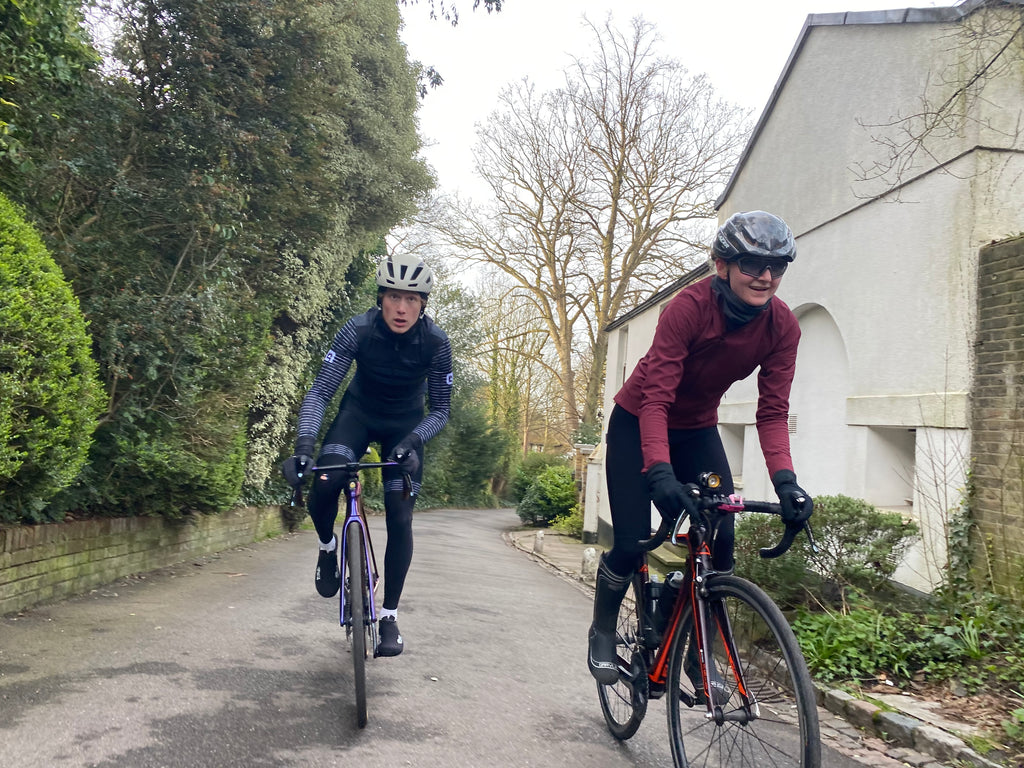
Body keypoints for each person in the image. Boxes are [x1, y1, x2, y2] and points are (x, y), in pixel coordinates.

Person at [587, 210, 814, 685]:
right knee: (630, 542)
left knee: (722, 540)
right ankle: (603, 630)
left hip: (696, 429)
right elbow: (657, 397)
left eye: (777, 267)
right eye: (752, 264)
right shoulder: (688, 308)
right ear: (721, 265)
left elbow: (771, 412)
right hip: (639, 420)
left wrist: (786, 482)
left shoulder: (782, 327)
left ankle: (696, 644)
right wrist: (659, 471)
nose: (766, 277)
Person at [282, 252, 453, 657]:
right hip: (357, 416)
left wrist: (413, 441)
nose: (401, 307)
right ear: (380, 298)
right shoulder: (356, 330)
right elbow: (321, 391)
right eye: (394, 296)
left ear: (423, 304)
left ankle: (390, 616)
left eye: (411, 299)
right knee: (325, 480)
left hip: (404, 429)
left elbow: (442, 409)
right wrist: (304, 447)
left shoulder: (436, 342)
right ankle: (327, 550)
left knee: (400, 511)